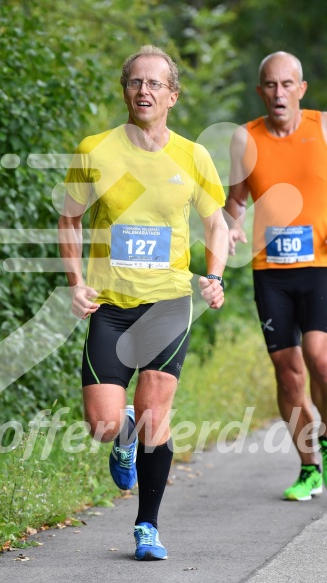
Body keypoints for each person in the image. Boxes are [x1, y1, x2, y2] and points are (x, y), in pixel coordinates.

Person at [58, 45, 228, 560]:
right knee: (104, 423)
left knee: (157, 416)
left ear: (172, 95)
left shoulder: (193, 156)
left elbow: (216, 221)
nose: (144, 91)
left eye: (155, 84)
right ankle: (122, 437)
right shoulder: (95, 150)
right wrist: (74, 280)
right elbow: (68, 219)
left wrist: (215, 274)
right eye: (135, 82)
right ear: (124, 90)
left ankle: (147, 527)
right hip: (109, 305)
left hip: (168, 304)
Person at [225, 51, 327, 501]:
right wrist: (229, 226)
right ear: (260, 91)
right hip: (272, 272)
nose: (279, 92)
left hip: (321, 264)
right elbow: (236, 202)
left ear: (301, 89)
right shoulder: (245, 140)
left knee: (320, 357)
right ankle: (310, 467)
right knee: (288, 375)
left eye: (287, 84)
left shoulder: (322, 127)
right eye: (270, 84)